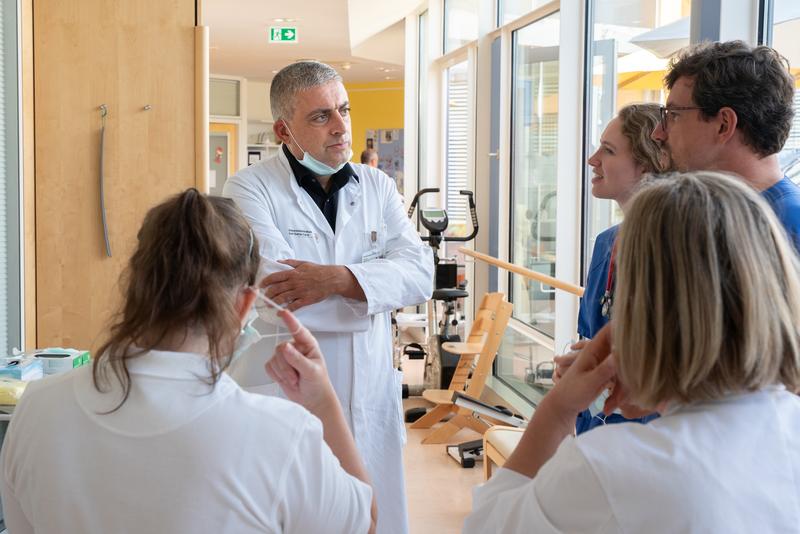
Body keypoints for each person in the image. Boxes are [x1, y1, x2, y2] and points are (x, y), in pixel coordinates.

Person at [0, 190, 376, 534]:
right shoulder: (280, 436)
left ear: (134, 286)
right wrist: (321, 400)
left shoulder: (37, 408)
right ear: (244, 305)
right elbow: (365, 523)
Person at [465, 171, 800, 533]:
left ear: (645, 308)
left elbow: (486, 526)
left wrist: (557, 410)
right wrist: (659, 391)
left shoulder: (611, 466)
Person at [223, 61, 433, 534]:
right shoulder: (248, 188)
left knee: (374, 518)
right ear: (284, 129)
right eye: (321, 117)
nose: (341, 128)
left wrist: (338, 280)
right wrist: (374, 289)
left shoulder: (377, 186)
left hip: (369, 394)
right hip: (287, 393)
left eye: (344, 110)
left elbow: (420, 272)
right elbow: (278, 289)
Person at [555, 103, 670, 434]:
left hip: (648, 432)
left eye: (608, 151)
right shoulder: (606, 243)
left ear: (649, 164)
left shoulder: (676, 253)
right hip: (595, 425)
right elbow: (591, 336)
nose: (593, 160)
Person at [651, 40, 800, 250]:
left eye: (674, 115)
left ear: (724, 124)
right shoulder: (714, 215)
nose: (657, 133)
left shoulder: (788, 228)